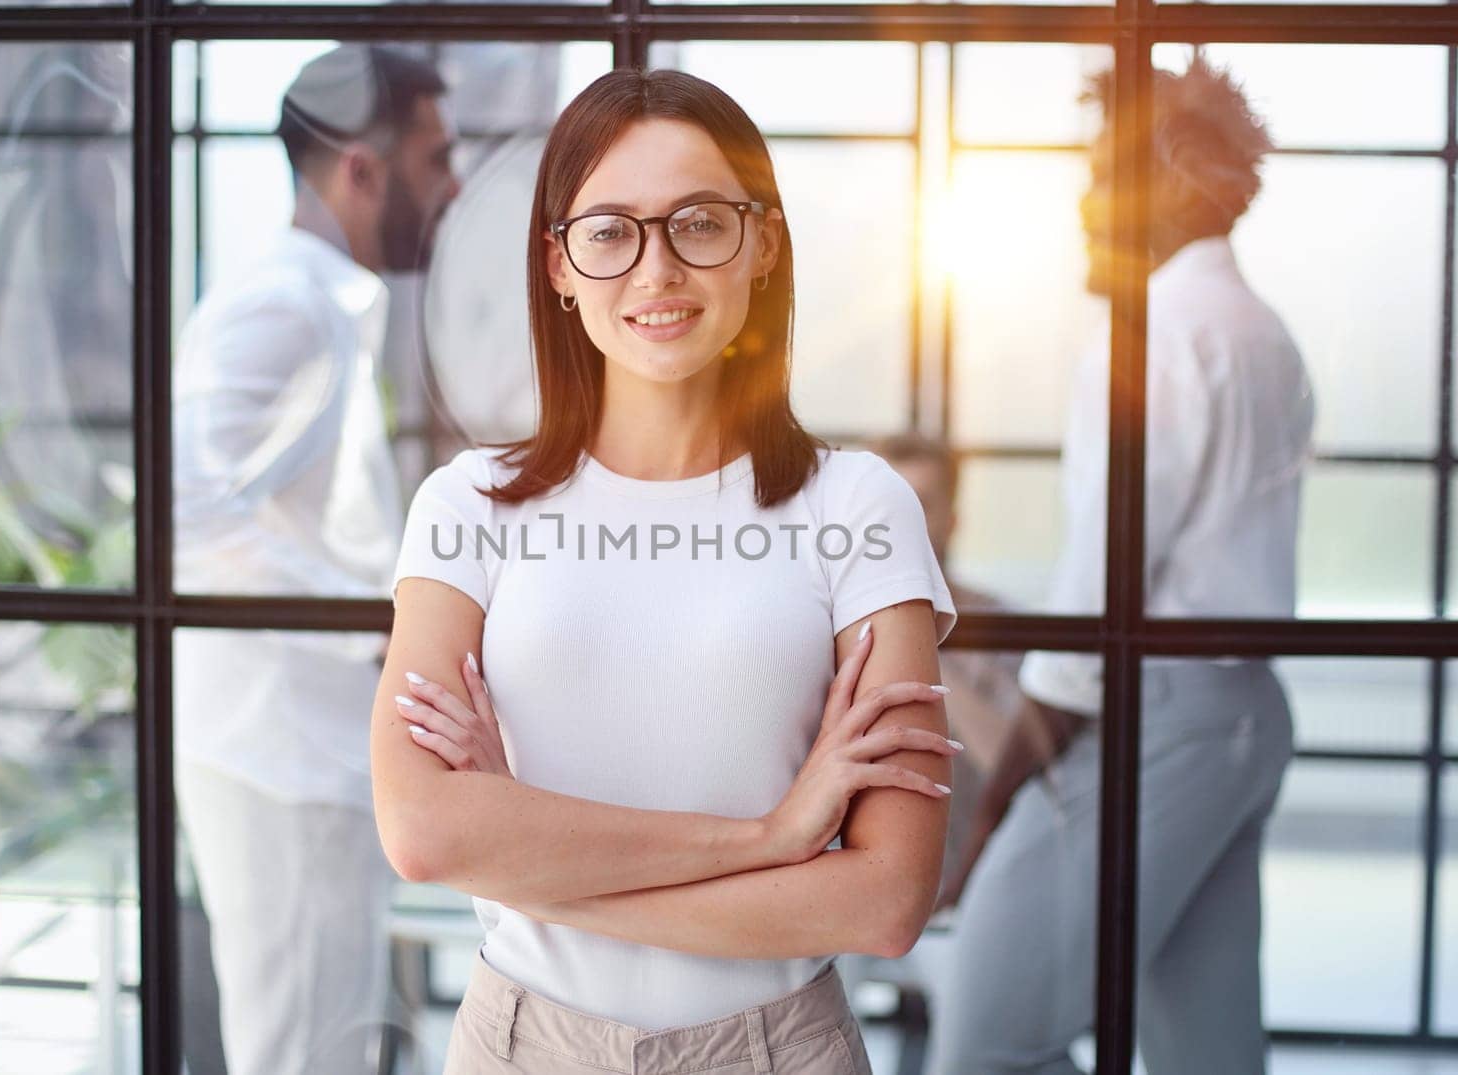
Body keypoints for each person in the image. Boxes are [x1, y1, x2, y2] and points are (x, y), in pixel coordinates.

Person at [371, 67, 961, 1074]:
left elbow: (884, 899)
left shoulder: (855, 507)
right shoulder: (468, 506)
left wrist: (526, 850)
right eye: (609, 232)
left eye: (698, 222)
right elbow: (426, 832)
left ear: (762, 244)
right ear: (557, 263)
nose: (655, 271)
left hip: (777, 1049)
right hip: (521, 1045)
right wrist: (773, 837)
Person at [928, 56, 1316, 1075]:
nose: (1084, 204)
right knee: (1206, 1048)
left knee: (988, 1039)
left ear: (1179, 177)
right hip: (1236, 716)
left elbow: (1106, 587)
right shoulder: (1260, 330)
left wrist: (1015, 771)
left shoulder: (1155, 331)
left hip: (1161, 718)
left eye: (1104, 172)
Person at [171, 44, 459, 1075]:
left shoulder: (323, 303)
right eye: (435, 158)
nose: (455, 184)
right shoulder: (282, 305)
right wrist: (372, 629)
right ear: (361, 170)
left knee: (324, 1042)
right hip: (278, 755)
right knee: (300, 1054)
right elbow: (184, 512)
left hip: (305, 753)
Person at [865, 433, 1025, 889]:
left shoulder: (1002, 623)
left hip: (962, 895)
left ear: (951, 521)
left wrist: (921, 644)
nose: (896, 523)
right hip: (844, 895)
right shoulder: (817, 621)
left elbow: (1013, 766)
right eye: (884, 503)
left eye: (918, 505)